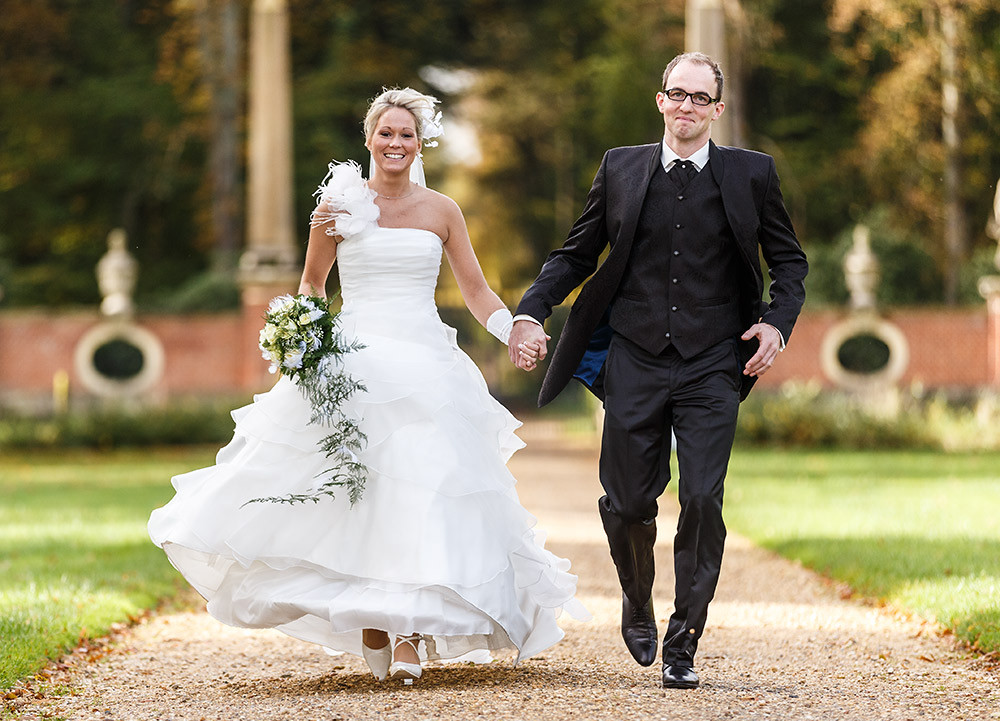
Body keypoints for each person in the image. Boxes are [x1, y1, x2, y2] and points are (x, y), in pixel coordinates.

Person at [148, 87, 588, 685]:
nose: (396, 144)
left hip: (426, 364)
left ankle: (408, 628)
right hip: (352, 361)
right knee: (356, 494)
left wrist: (513, 329)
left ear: (419, 142)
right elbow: (311, 286)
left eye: (407, 134)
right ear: (369, 139)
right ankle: (375, 618)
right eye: (386, 133)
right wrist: (300, 336)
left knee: (425, 486)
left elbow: (476, 291)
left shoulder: (442, 211)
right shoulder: (336, 208)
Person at [510, 53, 808, 689]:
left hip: (712, 362)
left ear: (717, 110)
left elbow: (790, 263)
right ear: (660, 100)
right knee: (626, 503)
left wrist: (777, 324)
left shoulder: (751, 174)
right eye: (678, 94)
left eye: (701, 98)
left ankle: (684, 638)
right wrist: (532, 310)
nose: (687, 106)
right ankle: (637, 598)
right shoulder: (621, 166)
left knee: (702, 497)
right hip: (635, 358)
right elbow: (577, 252)